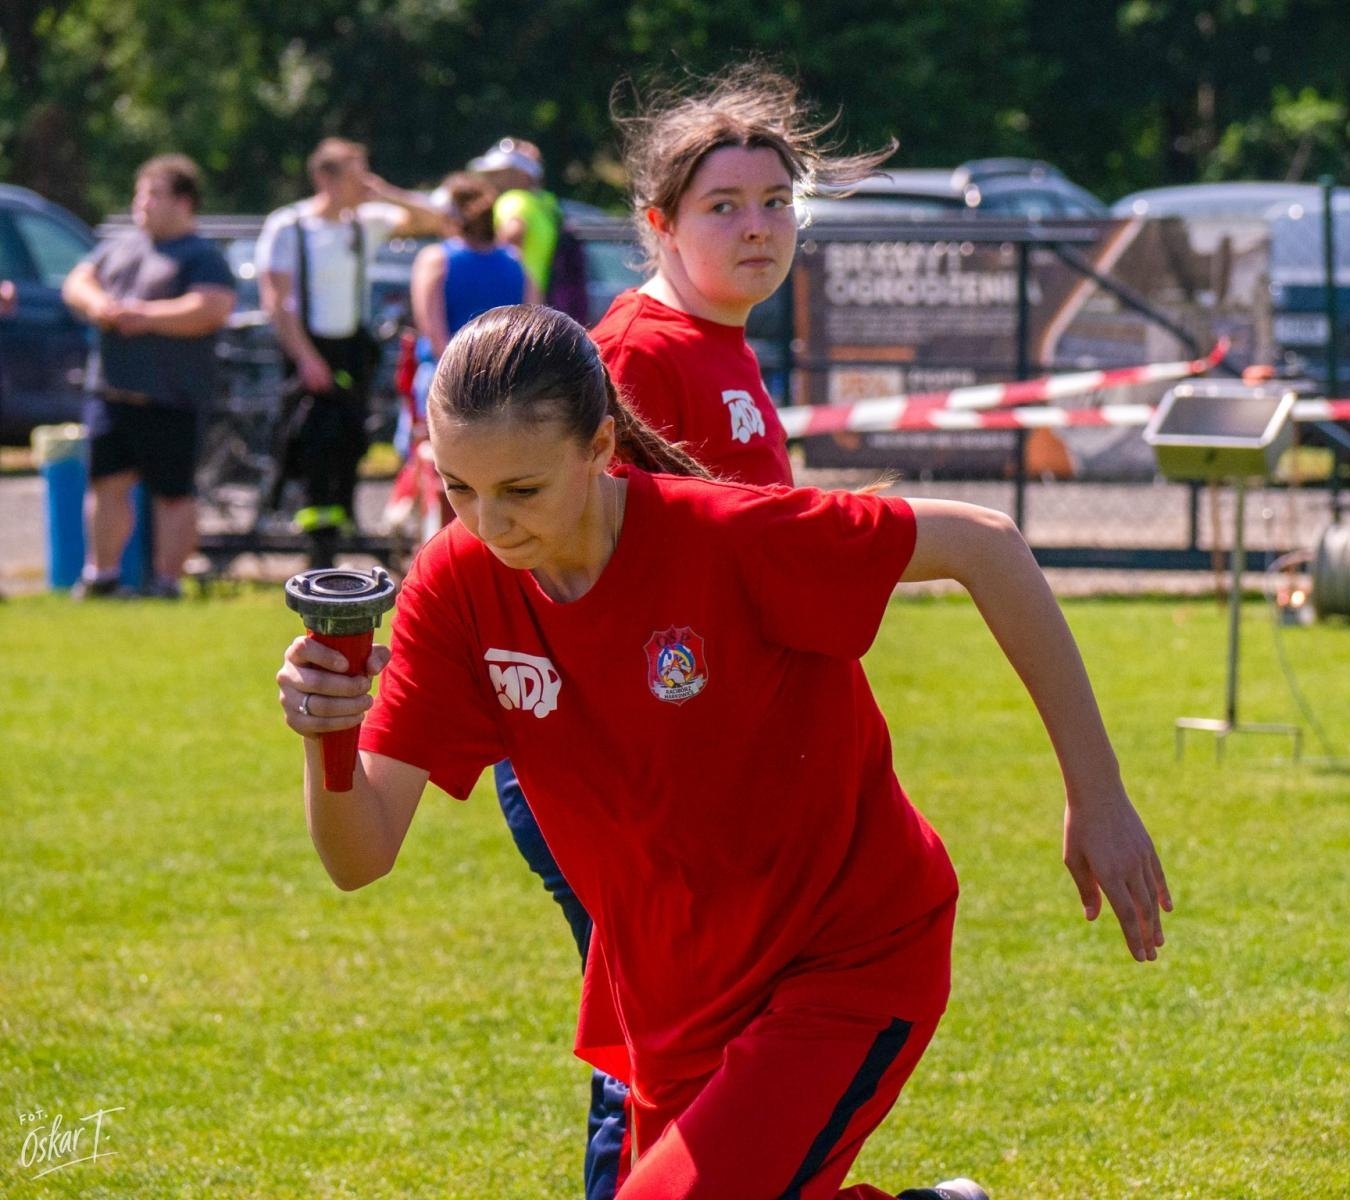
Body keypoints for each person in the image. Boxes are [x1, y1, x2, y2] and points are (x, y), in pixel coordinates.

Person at [276, 304, 1171, 1200]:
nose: (487, 523)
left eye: (521, 490)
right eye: (458, 489)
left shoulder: (728, 537)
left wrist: (1097, 794)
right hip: (675, 1003)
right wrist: (329, 728)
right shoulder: (454, 586)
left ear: (600, 446)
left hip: (847, 957)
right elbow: (358, 855)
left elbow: (987, 544)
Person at [489, 65, 898, 1196]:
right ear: (659, 224)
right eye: (726, 205)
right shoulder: (634, 357)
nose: (760, 226)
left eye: (777, 201)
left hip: (696, 771)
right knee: (660, 1045)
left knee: (737, 1064)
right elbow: (540, 571)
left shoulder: (718, 341)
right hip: (608, 768)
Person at [255, 138, 445, 567]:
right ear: (324, 177)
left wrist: (384, 191)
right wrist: (305, 358)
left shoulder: (366, 221)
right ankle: (316, 552)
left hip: (351, 351)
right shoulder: (289, 226)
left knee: (350, 443)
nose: (361, 182)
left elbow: (439, 219)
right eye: (352, 173)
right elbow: (276, 301)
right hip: (307, 350)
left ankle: (339, 539)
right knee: (311, 445)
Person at [60, 154, 236, 599]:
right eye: (140, 195)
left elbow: (212, 308)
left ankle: (166, 582)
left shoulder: (202, 256)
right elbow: (76, 282)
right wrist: (99, 305)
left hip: (172, 396)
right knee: (106, 485)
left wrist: (148, 317)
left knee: (173, 495)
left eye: (153, 195)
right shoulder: (119, 245)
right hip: (112, 390)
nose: (142, 204)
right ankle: (102, 577)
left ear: (184, 202)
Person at [390, 172, 533, 542]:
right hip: (508, 387)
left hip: (446, 383)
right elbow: (534, 323)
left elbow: (434, 332)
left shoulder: (436, 259)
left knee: (444, 479)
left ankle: (439, 555)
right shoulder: (515, 261)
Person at [470, 138, 589, 322]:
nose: (489, 179)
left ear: (520, 175)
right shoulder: (548, 204)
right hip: (543, 308)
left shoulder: (513, 200)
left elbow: (511, 238)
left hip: (515, 306)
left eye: (498, 173)